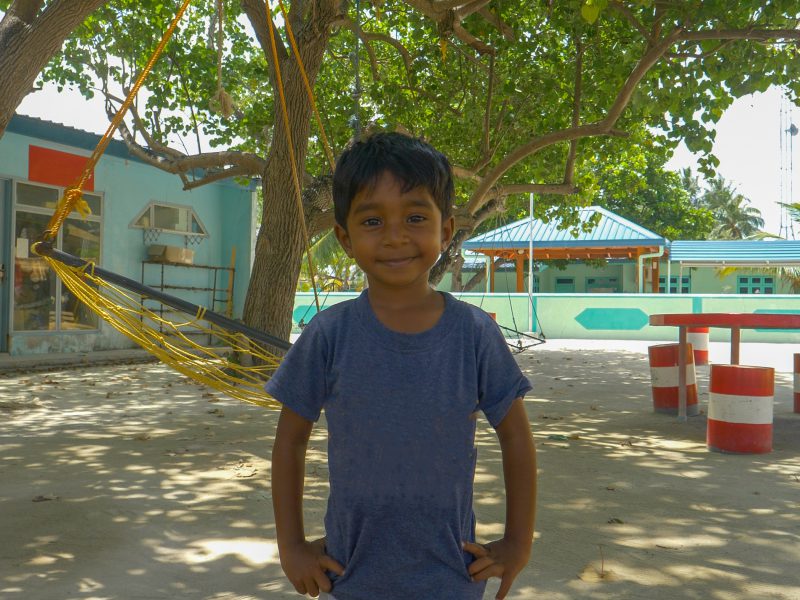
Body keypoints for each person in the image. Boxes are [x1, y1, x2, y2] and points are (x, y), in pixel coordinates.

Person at [266, 132, 537, 600]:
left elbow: (515, 436)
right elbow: (290, 441)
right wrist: (291, 546)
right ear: (345, 238)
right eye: (373, 220)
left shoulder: (474, 334)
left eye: (415, 217)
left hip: (453, 576)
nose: (395, 235)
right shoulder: (328, 335)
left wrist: (517, 542)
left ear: (446, 231)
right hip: (351, 576)